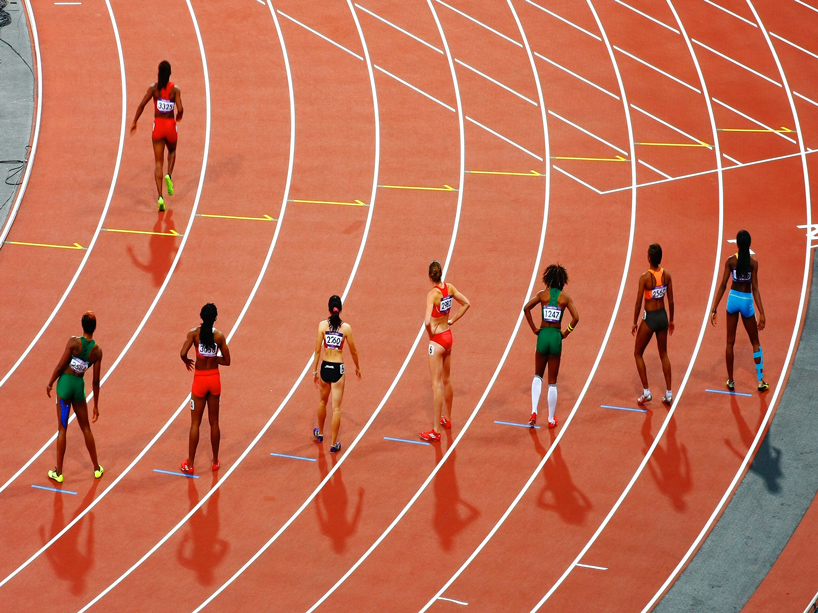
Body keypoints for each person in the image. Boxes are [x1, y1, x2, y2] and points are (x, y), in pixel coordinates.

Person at [46, 312, 104, 483]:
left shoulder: (73, 342)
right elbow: (95, 381)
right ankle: (96, 468)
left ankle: (59, 473)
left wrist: (50, 383)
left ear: (82, 325)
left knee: (62, 428)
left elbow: (59, 366)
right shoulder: (97, 351)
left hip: (64, 388)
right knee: (86, 428)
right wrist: (96, 405)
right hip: (79, 389)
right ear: (95, 327)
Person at [710, 230, 768, 391]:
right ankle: (760, 381)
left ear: (737, 244)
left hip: (732, 300)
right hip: (746, 300)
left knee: (730, 342)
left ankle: (731, 380)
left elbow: (722, 285)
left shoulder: (730, 262)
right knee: (755, 342)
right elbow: (755, 289)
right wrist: (761, 313)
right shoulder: (753, 263)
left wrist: (714, 308)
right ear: (749, 244)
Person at [523, 264, 579, 428]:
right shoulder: (565, 298)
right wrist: (566, 332)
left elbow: (526, 308)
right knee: (552, 382)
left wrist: (533, 328)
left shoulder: (542, 295)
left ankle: (534, 411)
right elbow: (576, 318)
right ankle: (550, 419)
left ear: (547, 279)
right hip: (555, 337)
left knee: (537, 376)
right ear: (562, 281)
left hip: (542, 336)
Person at [421, 261, 470, 442]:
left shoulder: (432, 295)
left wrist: (430, 334)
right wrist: (453, 320)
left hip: (437, 340)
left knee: (436, 385)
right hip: (448, 336)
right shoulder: (449, 288)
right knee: (447, 379)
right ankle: (447, 419)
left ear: (429, 276)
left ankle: (435, 431)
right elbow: (466, 303)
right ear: (441, 274)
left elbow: (427, 321)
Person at [180, 303, 230, 474]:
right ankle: (215, 461)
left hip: (199, 381)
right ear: (215, 318)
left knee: (195, 423)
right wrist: (215, 359)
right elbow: (227, 360)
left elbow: (182, 353)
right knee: (214, 422)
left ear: (201, 316)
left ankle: (191, 464)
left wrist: (187, 361)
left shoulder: (194, 334)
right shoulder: (219, 336)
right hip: (214, 379)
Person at [130, 60, 184, 211]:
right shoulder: (175, 90)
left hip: (158, 127)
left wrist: (135, 121)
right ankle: (169, 175)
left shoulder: (153, 89)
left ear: (159, 73)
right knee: (172, 151)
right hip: (170, 126)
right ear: (170, 74)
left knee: (158, 163)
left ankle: (160, 198)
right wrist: (179, 115)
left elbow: (142, 104)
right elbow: (180, 108)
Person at [312, 295, 361, 453]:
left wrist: (314, 371)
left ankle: (320, 433)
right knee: (337, 409)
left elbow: (318, 350)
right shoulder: (346, 328)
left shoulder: (321, 326)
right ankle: (333, 444)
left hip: (325, 367)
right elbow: (353, 350)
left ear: (329, 308)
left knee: (322, 402)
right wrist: (357, 367)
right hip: (338, 369)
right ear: (340, 309)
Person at [632, 243, 675, 405]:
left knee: (638, 353)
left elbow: (638, 303)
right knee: (664, 354)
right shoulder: (667, 275)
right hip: (663, 316)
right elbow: (671, 300)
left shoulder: (644, 278)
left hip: (650, 319)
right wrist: (671, 320)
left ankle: (646, 392)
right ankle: (669, 393)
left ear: (649, 258)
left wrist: (634, 322)